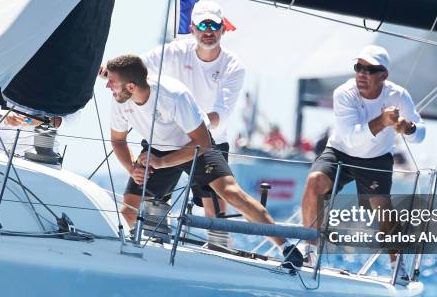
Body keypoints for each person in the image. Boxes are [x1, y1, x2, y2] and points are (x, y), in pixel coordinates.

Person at [106, 54, 303, 268]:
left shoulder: (173, 96)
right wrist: (132, 168)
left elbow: (202, 142)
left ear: (132, 86)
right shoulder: (120, 100)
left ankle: (286, 247)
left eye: (112, 81)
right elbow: (118, 140)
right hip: (156, 148)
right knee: (129, 208)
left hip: (194, 147)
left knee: (231, 193)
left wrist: (162, 163)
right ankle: (147, 251)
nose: (107, 85)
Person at [102, 0, 244, 222]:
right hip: (164, 137)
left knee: (214, 211)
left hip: (206, 140)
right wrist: (108, 73)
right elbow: (135, 69)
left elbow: (221, 114)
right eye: (202, 26)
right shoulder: (173, 51)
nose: (208, 31)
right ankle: (145, 243)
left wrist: (191, 124)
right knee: (131, 207)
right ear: (192, 29)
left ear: (223, 28)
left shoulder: (233, 65)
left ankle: (219, 246)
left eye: (214, 26)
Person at [300, 45, 426, 278]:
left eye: (369, 69)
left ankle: (398, 267)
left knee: (382, 207)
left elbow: (421, 134)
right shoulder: (344, 92)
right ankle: (309, 251)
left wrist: (408, 128)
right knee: (314, 182)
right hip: (340, 151)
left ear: (384, 75)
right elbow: (351, 137)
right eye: (359, 67)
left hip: (376, 158)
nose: (362, 74)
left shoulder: (398, 95)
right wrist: (383, 121)